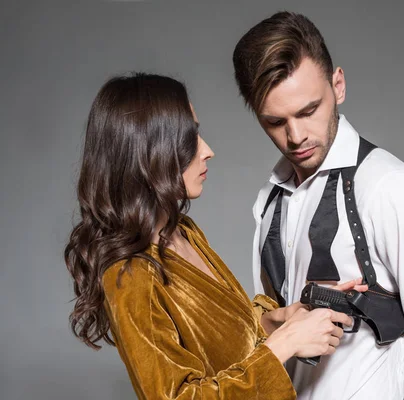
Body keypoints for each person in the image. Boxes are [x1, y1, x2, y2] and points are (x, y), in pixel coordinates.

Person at [64, 73, 360, 399]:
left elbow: (224, 342)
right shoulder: (131, 276)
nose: (208, 151)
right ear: (150, 153)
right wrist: (286, 344)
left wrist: (280, 321)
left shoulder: (182, 234)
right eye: (190, 138)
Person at [233, 11, 404, 399]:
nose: (295, 136)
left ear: (339, 85)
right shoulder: (270, 201)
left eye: (309, 110)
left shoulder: (388, 187)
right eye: (275, 122)